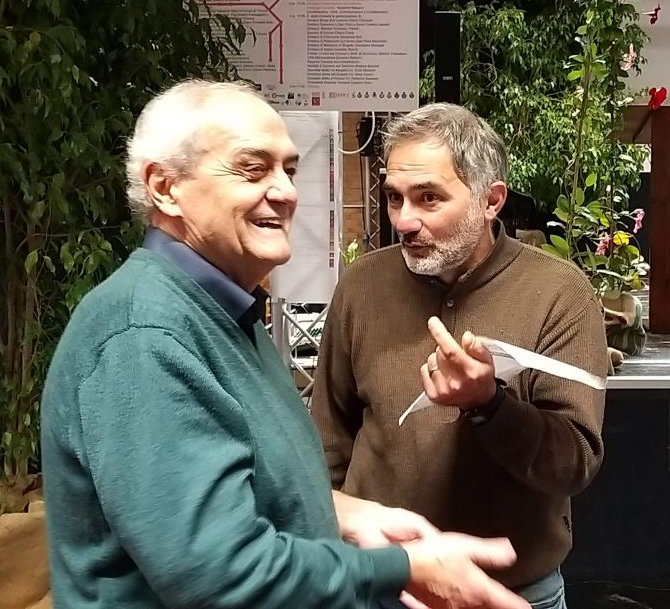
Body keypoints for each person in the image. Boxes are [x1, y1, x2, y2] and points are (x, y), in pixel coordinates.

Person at [40, 81, 531, 609]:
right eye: (253, 169)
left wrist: (345, 514)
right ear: (165, 187)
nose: (286, 192)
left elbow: (230, 490)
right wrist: (402, 570)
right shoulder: (145, 336)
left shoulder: (222, 315)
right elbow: (223, 576)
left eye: (289, 171)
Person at [311, 103, 611, 609]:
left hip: (511, 592)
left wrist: (490, 405)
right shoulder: (362, 286)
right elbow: (327, 444)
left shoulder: (561, 294)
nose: (404, 221)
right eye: (394, 197)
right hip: (381, 586)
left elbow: (573, 464)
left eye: (428, 198)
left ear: (491, 201)